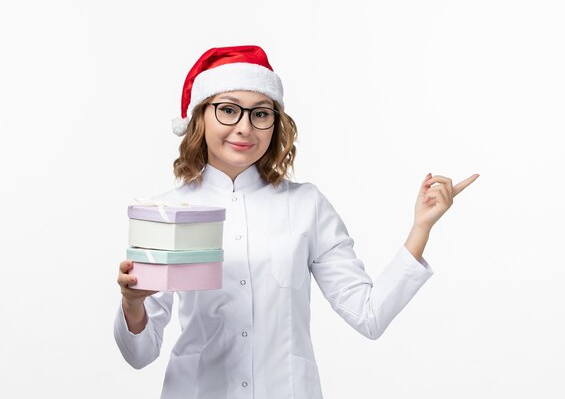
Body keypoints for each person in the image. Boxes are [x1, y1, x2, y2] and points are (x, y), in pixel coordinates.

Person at [114, 45, 479, 399]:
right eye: (228, 110)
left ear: (275, 123)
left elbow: (369, 315)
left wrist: (421, 227)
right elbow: (140, 354)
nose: (245, 127)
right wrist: (132, 303)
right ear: (200, 117)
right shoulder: (167, 213)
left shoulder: (307, 206)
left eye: (260, 113)